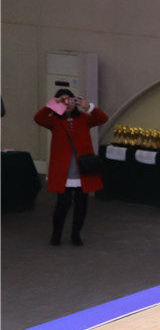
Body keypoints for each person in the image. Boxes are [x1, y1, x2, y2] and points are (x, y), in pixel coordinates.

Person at [33, 88, 107, 246]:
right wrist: (53, 104)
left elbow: (102, 118)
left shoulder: (84, 119)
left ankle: (76, 235)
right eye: (63, 101)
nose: (67, 104)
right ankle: (56, 235)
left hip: (83, 169)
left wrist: (87, 106)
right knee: (63, 204)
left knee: (81, 205)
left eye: (70, 100)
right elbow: (38, 118)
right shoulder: (54, 120)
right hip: (64, 170)